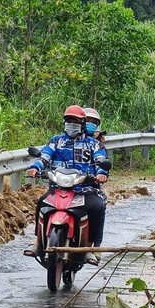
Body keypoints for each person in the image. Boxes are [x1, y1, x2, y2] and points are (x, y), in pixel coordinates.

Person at [23, 105, 109, 265]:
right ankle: (37, 242)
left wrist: (101, 173)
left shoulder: (93, 144)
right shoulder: (56, 141)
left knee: (97, 207)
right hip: (58, 188)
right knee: (42, 202)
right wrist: (35, 168)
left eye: (75, 121)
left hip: (85, 190)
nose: (71, 124)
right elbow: (45, 156)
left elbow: (100, 159)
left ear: (82, 124)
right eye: (68, 121)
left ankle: (90, 248)